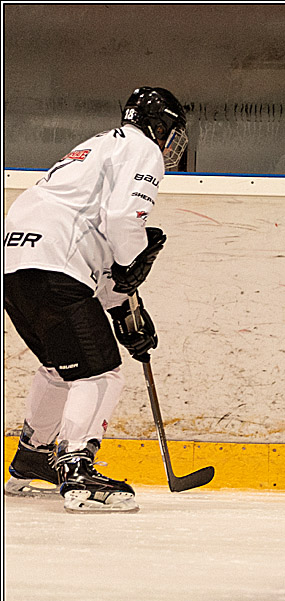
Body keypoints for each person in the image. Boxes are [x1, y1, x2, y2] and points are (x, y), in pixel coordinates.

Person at [3, 86, 187, 513]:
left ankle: (34, 456)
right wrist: (135, 259)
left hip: (15, 270)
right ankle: (77, 467)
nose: (171, 145)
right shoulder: (142, 148)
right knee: (102, 372)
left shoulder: (94, 150)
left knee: (60, 367)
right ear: (159, 128)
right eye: (171, 134)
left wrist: (125, 309)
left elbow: (96, 251)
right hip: (55, 268)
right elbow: (124, 221)